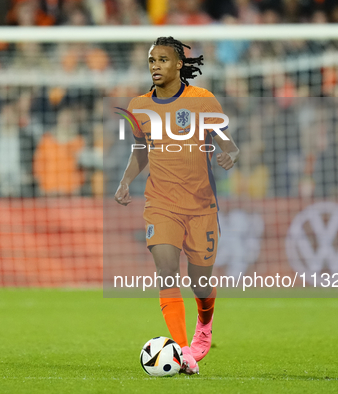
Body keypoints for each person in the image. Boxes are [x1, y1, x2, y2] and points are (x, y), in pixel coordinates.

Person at [114, 37, 239, 375]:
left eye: (163, 60)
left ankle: (205, 323)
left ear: (179, 64)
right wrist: (126, 180)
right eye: (151, 60)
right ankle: (183, 350)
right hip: (161, 204)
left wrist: (230, 152)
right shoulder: (139, 106)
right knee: (167, 270)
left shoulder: (202, 100)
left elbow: (227, 141)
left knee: (200, 283)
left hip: (201, 206)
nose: (155, 66)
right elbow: (140, 151)